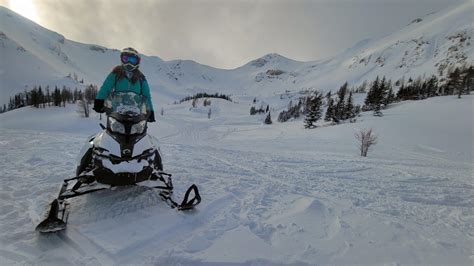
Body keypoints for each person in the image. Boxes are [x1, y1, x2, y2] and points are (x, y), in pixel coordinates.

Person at [93, 47, 155, 122]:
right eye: (126, 59)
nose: (129, 63)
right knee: (111, 132)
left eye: (132, 60)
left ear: (137, 62)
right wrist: (99, 101)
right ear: (122, 59)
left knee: (140, 132)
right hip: (116, 113)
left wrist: (150, 111)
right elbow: (106, 87)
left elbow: (146, 96)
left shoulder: (141, 78)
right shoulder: (116, 73)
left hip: (136, 115)